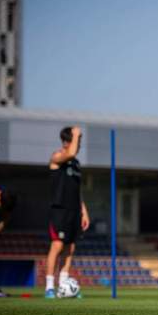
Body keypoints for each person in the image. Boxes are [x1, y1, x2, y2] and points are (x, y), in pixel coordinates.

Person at [44, 127, 90, 298]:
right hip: (59, 210)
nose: (78, 145)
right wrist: (76, 133)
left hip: (74, 210)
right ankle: (49, 287)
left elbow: (77, 190)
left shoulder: (76, 164)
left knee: (70, 248)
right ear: (66, 142)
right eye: (76, 141)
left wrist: (84, 211)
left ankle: (63, 286)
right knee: (57, 245)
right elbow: (69, 154)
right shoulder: (57, 157)